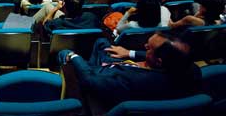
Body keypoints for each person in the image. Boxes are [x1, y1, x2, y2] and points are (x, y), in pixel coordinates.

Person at [58, 33, 201, 113]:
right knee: (101, 42)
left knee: (65, 53)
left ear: (158, 61)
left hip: (103, 78)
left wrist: (74, 56)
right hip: (117, 69)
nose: (145, 47)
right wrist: (130, 53)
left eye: (148, 48)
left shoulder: (128, 80)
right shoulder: (191, 70)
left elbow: (90, 81)